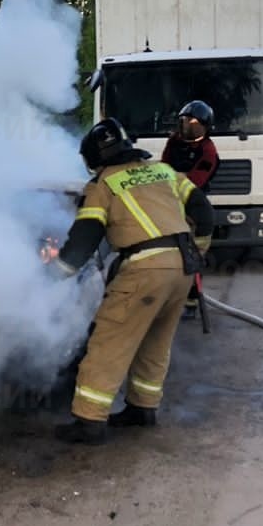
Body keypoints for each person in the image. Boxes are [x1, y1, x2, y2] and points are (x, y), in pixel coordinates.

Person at [50, 118, 215, 445]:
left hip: (143, 267)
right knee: (156, 339)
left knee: (108, 340)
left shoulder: (103, 185)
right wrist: (200, 248)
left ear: (94, 160)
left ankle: (88, 421)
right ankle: (143, 408)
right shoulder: (165, 172)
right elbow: (203, 209)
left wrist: (53, 275)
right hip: (183, 266)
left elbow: (84, 239)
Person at [160, 101, 219, 318]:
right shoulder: (174, 142)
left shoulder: (208, 150)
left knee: (191, 256)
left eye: (192, 122)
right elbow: (164, 165)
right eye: (183, 121)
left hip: (195, 208)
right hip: (169, 203)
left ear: (204, 126)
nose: (186, 126)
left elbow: (196, 181)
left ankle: (191, 302)